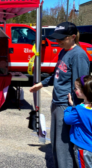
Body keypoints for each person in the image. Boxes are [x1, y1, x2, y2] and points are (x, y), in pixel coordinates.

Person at [29, 22, 90, 168]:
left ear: (73, 37)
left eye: (61, 39)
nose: (57, 42)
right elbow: (58, 74)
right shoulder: (64, 51)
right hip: (57, 102)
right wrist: (42, 84)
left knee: (64, 146)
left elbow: (82, 85)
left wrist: (75, 109)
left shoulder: (79, 55)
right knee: (57, 143)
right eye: (56, 38)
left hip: (66, 105)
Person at [64, 75, 92, 168]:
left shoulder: (79, 110)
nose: (74, 91)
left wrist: (69, 108)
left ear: (84, 91)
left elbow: (67, 119)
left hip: (83, 149)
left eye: (76, 88)